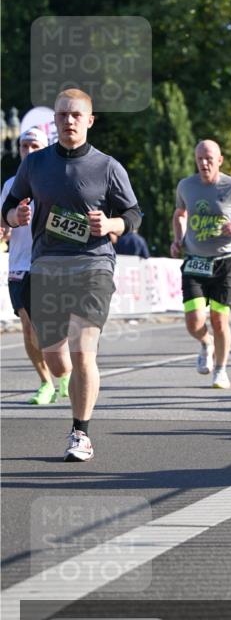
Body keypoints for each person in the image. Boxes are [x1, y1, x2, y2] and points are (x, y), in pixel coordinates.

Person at [1, 89, 142, 461]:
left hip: (93, 264)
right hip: (47, 267)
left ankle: (81, 433)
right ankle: (65, 381)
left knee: (83, 350)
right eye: (62, 115)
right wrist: (14, 217)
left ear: (89, 120)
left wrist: (110, 222)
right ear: (55, 121)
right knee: (53, 354)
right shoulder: (34, 165)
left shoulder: (108, 167)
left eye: (76, 115)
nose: (69, 120)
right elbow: (9, 207)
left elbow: (133, 215)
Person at [171, 140, 231, 388]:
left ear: (219, 160)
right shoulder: (186, 186)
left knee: (220, 319)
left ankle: (220, 369)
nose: (204, 163)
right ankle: (205, 342)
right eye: (200, 159)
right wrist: (177, 239)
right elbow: (180, 213)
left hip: (225, 262)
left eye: (209, 158)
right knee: (193, 321)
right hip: (195, 262)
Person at [0, 127, 70, 405]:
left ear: (46, 148)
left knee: (51, 328)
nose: (28, 151)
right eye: (24, 146)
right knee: (29, 330)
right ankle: (46, 383)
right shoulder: (9, 186)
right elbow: (2, 221)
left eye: (34, 146)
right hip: (19, 263)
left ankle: (64, 372)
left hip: (51, 262)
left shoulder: (57, 181)